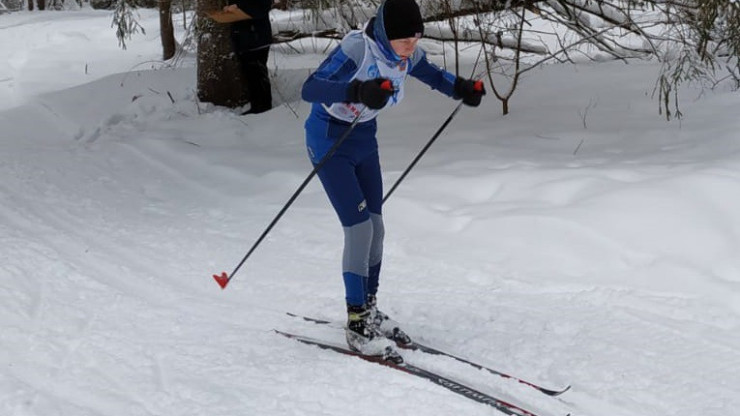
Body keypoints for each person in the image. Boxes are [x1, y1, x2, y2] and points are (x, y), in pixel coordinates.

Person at [301, 0, 485, 358]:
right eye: (405, 40)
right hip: (329, 139)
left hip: (363, 139)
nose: (411, 47)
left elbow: (431, 74)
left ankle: (368, 307)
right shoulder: (358, 48)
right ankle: (357, 324)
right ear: (386, 33)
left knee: (376, 227)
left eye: (416, 39)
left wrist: (462, 88)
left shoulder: (404, 52)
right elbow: (311, 88)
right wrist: (357, 90)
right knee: (358, 230)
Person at [225, 0, 273, 114]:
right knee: (250, 76)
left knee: (258, 75)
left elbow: (262, 7)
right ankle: (256, 106)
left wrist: (238, 7)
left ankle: (263, 108)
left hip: (257, 38)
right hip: (243, 40)